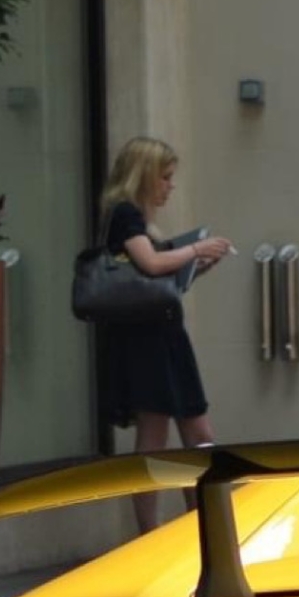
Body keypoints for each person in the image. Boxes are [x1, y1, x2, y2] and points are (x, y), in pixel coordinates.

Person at [94, 136, 236, 533]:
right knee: (162, 435)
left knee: (192, 432)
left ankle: (201, 523)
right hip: (149, 340)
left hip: (161, 336)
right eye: (165, 177)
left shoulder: (132, 218)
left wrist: (197, 263)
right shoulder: (125, 215)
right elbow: (152, 264)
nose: (169, 186)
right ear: (145, 176)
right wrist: (195, 251)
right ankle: (161, 531)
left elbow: (157, 275)